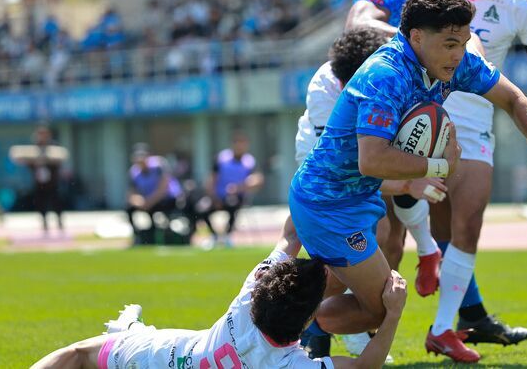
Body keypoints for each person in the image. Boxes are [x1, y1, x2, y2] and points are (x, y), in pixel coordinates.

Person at [290, 0, 527, 364]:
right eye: (450, 44)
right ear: (416, 37)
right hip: (328, 202)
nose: (459, 54)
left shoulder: (452, 64)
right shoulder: (387, 75)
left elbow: (514, 99)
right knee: (382, 305)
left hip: (356, 198)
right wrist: (442, 165)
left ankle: (273, 320)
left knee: (326, 288)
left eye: (464, 43)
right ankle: (280, 327)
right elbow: (371, 160)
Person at [418, 0, 527, 360]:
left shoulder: (519, 3)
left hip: (477, 120)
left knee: (470, 222)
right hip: (427, 117)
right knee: (438, 226)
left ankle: (444, 328)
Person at [290, 27, 447, 360]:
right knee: (371, 241)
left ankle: (302, 322)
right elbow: (350, 167)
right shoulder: (324, 91)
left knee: (387, 243)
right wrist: (411, 181)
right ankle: (306, 325)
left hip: (363, 169)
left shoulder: (387, 77)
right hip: (323, 173)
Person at [31, 245, 408, 368]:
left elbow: (290, 234)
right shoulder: (289, 365)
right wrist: (392, 313)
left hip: (161, 358)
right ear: (310, 319)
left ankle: (128, 328)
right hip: (166, 353)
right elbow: (364, 366)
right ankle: (129, 326)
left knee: (80, 354)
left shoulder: (246, 301)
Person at [344, 0, 450, 297]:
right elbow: (358, 23)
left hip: (421, 109)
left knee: (396, 234)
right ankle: (355, 314)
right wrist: (416, 41)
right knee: (376, 227)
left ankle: (380, 315)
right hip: (380, 108)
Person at [204, 133, 264, 247]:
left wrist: (240, 187)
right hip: (218, 196)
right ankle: (214, 236)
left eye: (242, 144)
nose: (239, 147)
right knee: (201, 209)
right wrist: (213, 197)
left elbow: (258, 179)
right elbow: (212, 178)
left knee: (233, 203)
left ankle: (227, 236)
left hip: (237, 196)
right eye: (237, 143)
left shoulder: (249, 161)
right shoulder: (222, 158)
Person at [9, 126, 68, 235]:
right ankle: (44, 223)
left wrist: (46, 160)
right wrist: (36, 162)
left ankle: (59, 222)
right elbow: (19, 157)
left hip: (52, 183)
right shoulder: (34, 149)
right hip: (39, 184)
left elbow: (61, 158)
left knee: (56, 203)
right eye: (40, 134)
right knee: (40, 204)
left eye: (44, 134)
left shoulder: (53, 147)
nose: (42, 137)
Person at [125, 144, 183, 245]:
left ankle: (166, 234)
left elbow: (163, 189)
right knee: (129, 209)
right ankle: (138, 236)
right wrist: (139, 201)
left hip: (167, 198)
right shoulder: (134, 171)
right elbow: (131, 193)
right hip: (148, 201)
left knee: (160, 207)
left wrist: (149, 202)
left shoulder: (158, 166)